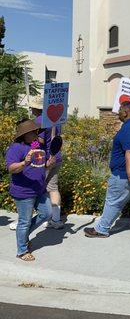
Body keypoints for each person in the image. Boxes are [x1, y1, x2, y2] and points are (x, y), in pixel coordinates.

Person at [84, 101, 130, 238]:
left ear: (125, 112)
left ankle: (102, 229)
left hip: (125, 175)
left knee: (113, 201)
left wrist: (129, 172)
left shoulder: (129, 128)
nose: (117, 113)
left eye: (119, 110)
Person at [6, 119, 53, 261]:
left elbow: (40, 165)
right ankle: (21, 251)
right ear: (24, 134)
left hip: (39, 189)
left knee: (47, 213)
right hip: (24, 191)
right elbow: (11, 169)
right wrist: (23, 162)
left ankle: (24, 236)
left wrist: (48, 164)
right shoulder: (15, 148)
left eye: (36, 131)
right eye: (32, 132)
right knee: (24, 222)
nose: (36, 133)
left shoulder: (36, 145)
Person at [31, 98, 64, 229]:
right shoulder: (56, 119)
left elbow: (40, 141)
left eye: (32, 107)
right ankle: (56, 220)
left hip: (43, 159)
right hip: (56, 156)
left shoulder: (39, 121)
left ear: (36, 109)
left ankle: (27, 218)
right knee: (53, 187)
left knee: (34, 187)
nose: (31, 109)